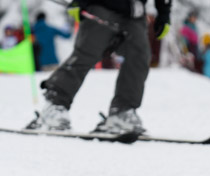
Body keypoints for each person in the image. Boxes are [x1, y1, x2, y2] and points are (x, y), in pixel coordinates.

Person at [26, 0, 171, 133]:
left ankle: (122, 112)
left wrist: (164, 12)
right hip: (102, 4)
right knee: (87, 52)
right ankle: (55, 106)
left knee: (139, 57)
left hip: (135, 12)